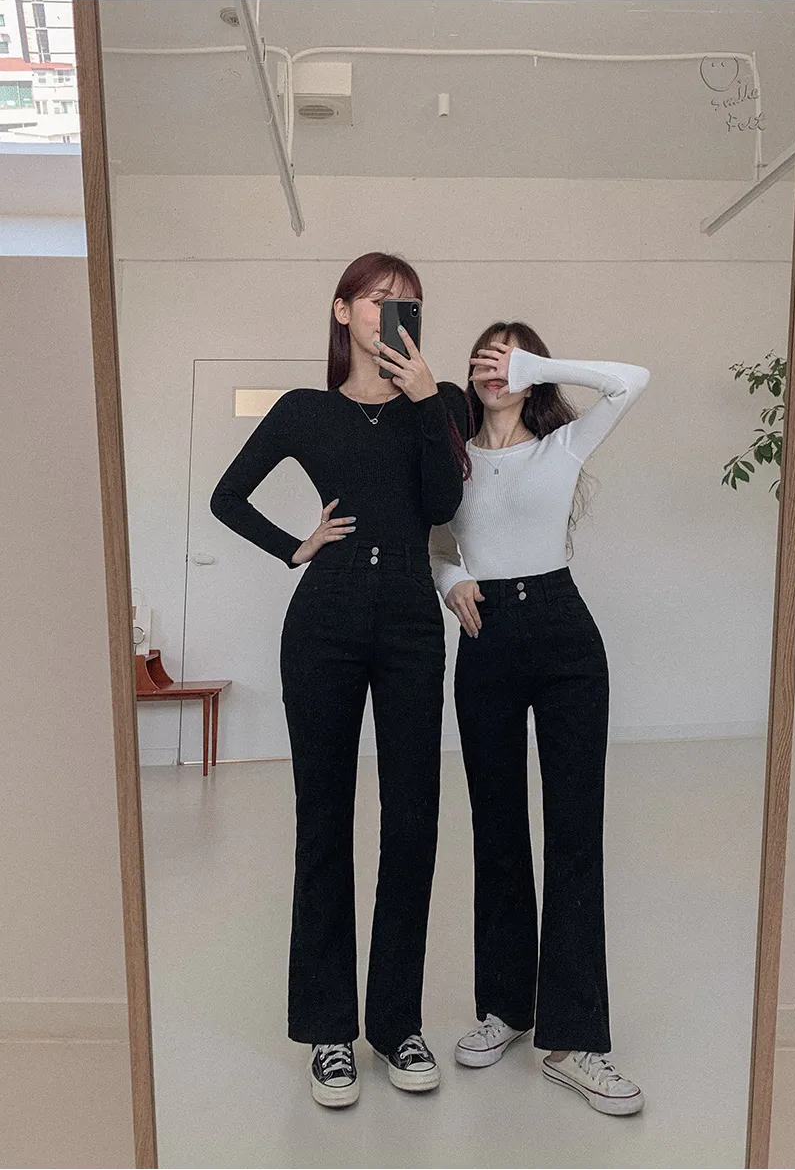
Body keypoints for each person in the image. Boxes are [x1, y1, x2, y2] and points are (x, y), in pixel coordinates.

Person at [210, 253, 469, 1108]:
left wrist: (426, 399)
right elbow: (227, 497)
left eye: (409, 303)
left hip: (409, 621)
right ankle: (329, 1029)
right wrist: (295, 546)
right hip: (323, 620)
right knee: (323, 822)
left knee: (414, 821)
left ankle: (396, 1024)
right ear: (342, 311)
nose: (394, 311)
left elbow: (441, 504)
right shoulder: (305, 410)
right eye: (380, 298)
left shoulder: (440, 402)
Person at [429, 321, 650, 1115]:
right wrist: (449, 579)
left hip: (563, 635)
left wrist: (538, 363)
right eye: (486, 357)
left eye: (510, 357)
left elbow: (632, 377)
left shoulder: (563, 446)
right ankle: (506, 1007)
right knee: (496, 827)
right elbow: (436, 542)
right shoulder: (451, 458)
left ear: (531, 371)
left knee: (574, 831)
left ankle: (575, 1039)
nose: (497, 369)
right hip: (485, 636)